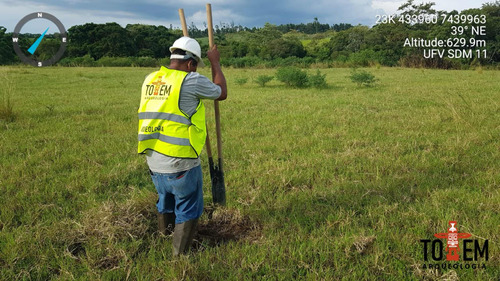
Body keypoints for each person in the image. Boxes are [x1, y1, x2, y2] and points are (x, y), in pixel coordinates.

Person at [137, 36, 227, 256]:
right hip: (180, 160)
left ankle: (165, 235)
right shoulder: (191, 80)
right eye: (195, 66)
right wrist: (215, 62)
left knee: (165, 198)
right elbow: (221, 93)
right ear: (191, 64)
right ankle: (180, 256)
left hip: (153, 157)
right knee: (188, 207)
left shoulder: (151, 78)